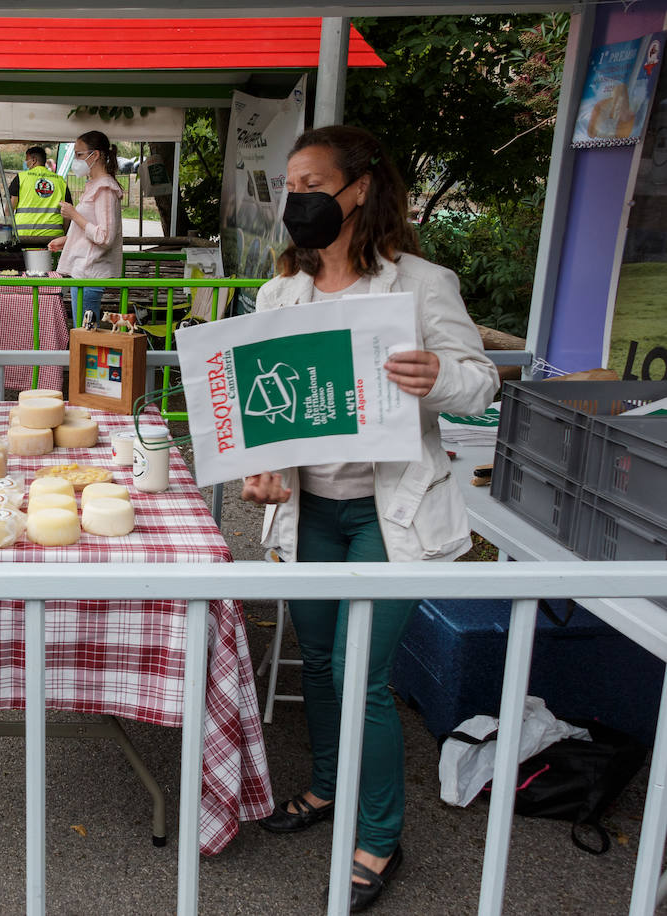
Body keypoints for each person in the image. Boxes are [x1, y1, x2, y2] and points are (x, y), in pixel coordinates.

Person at [244, 125, 498, 912]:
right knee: (318, 663)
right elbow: (266, 409)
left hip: (388, 517)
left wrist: (438, 377)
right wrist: (261, 465)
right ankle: (326, 787)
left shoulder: (420, 283)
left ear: (358, 189)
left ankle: (379, 836)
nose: (298, 201)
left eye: (313, 183)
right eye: (290, 187)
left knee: (363, 678)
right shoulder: (278, 292)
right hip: (309, 510)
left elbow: (480, 380)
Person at [48, 130, 123, 327]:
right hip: (83, 272)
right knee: (84, 333)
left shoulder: (105, 189)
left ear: (95, 155)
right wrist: (66, 240)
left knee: (85, 334)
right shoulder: (95, 185)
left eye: (79, 154)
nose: (75, 160)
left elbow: (105, 237)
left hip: (91, 273)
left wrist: (74, 215)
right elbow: (91, 229)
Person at [7, 145, 71, 243]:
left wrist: (9, 233)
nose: (25, 163)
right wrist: (63, 234)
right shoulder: (60, 181)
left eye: (26, 160)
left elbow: (9, 209)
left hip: (24, 235)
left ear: (33, 160)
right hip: (53, 236)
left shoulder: (21, 178)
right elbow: (68, 213)